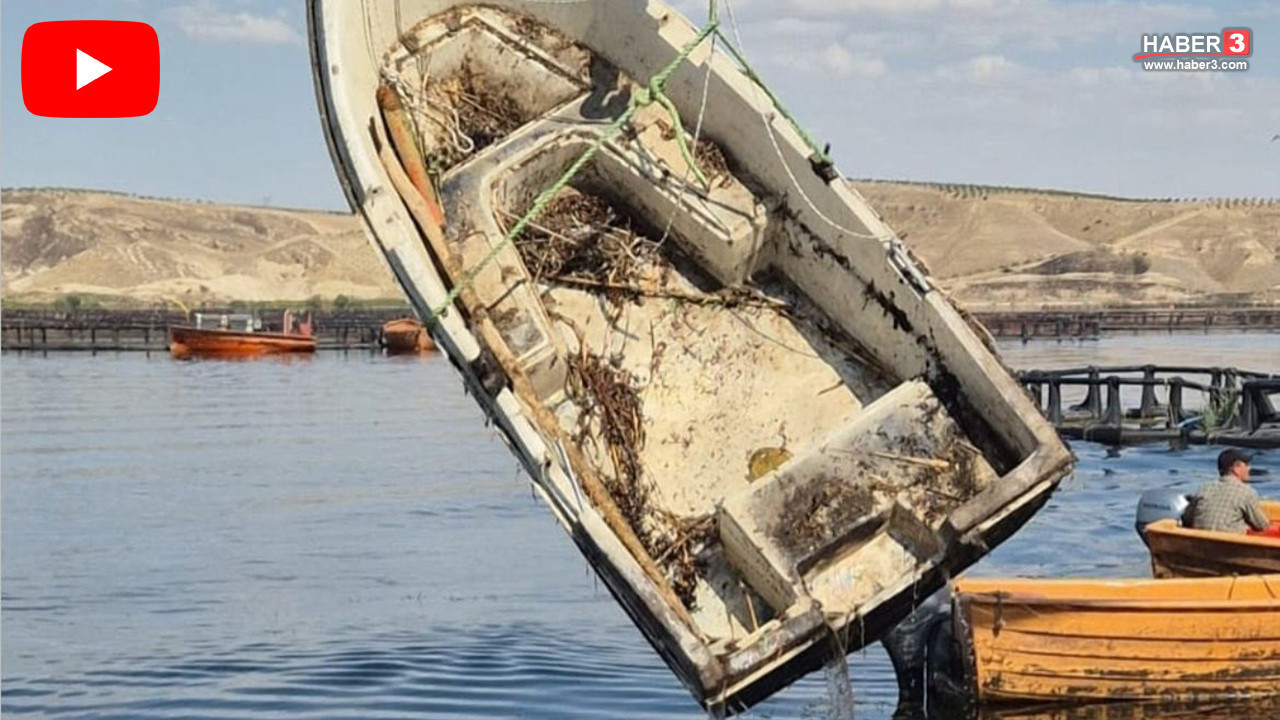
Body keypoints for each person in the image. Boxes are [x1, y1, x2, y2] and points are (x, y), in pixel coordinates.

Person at [1188, 449, 1270, 534]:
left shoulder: (1204, 488)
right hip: (1230, 544)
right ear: (1236, 469)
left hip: (1200, 542)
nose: (1249, 468)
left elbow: (1187, 519)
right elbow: (1262, 526)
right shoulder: (1246, 492)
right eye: (1246, 464)